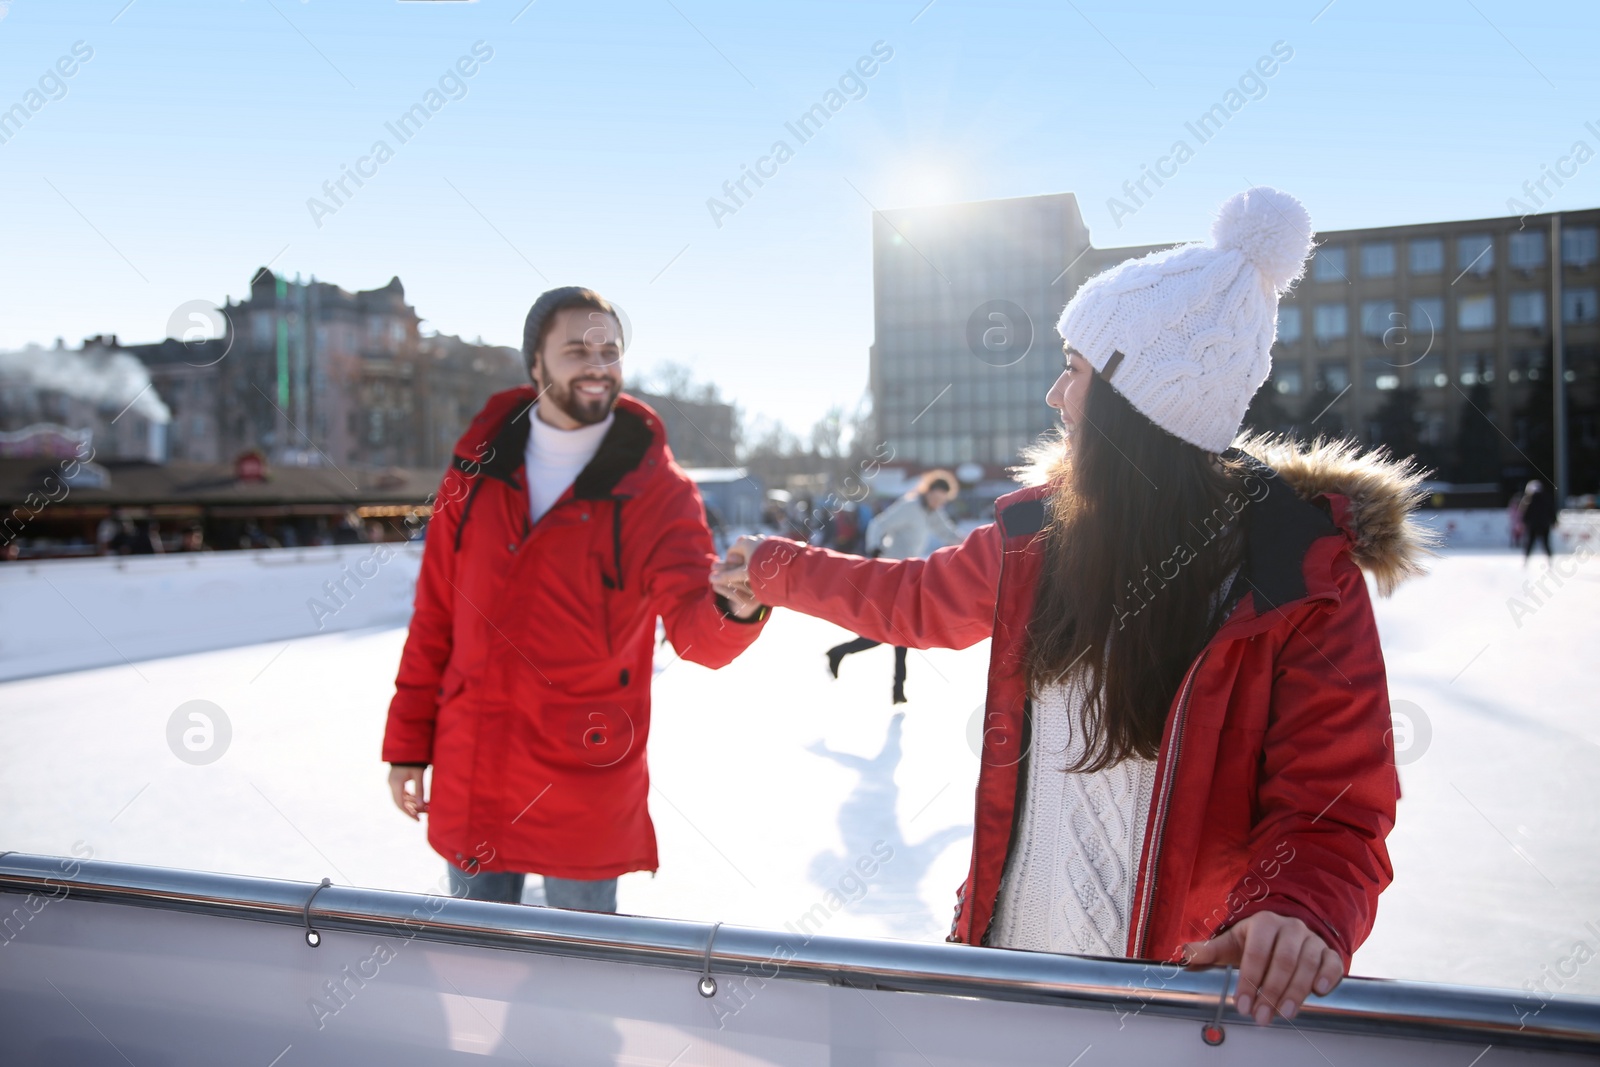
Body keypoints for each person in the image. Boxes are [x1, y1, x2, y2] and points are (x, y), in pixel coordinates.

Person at [714, 188, 1428, 1026]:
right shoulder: (1042, 538)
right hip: (1008, 976)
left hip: (1173, 1000)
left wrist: (1298, 908)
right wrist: (775, 568)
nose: (1056, 397)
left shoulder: (1297, 577)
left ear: (1139, 403)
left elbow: (1333, 806)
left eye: (1076, 371)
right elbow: (912, 599)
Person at [383, 286, 768, 913]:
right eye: (576, 350)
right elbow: (436, 617)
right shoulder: (476, 470)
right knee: (478, 968)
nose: (597, 365)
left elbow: (695, 630)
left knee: (581, 983)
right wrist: (408, 744)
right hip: (474, 768)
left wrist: (736, 607)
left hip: (583, 782)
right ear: (535, 363)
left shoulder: (658, 491)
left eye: (609, 351)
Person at [824, 470, 961, 704]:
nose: (938, 503)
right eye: (936, 497)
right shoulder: (909, 506)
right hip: (890, 574)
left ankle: (896, 688)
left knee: (900, 630)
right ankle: (843, 654)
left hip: (908, 577)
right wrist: (875, 551)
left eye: (942, 500)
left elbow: (948, 534)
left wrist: (975, 544)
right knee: (891, 630)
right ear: (928, 492)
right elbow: (879, 524)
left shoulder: (932, 513)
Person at [1517, 479, 1556, 562]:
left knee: (1530, 543)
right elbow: (1551, 511)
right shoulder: (1546, 498)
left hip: (1533, 525)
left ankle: (1526, 560)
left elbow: (1525, 513)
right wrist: (1554, 521)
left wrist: (1524, 523)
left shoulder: (1529, 500)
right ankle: (1550, 560)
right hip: (1545, 524)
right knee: (1546, 543)